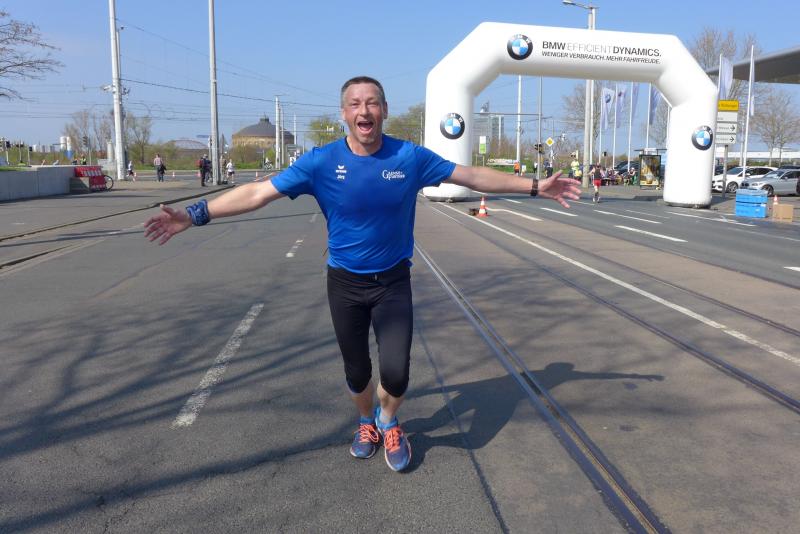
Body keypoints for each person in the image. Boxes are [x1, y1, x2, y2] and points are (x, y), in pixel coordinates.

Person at [144, 76, 581, 472]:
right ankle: (365, 421)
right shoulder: (320, 162)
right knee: (357, 372)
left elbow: (469, 175)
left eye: (372, 102)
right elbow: (258, 193)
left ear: (384, 110)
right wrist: (194, 214)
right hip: (345, 285)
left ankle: (388, 420)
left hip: (393, 283)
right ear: (344, 114)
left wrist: (535, 186)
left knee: (396, 373)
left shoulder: (409, 157)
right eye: (355, 103)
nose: (364, 110)